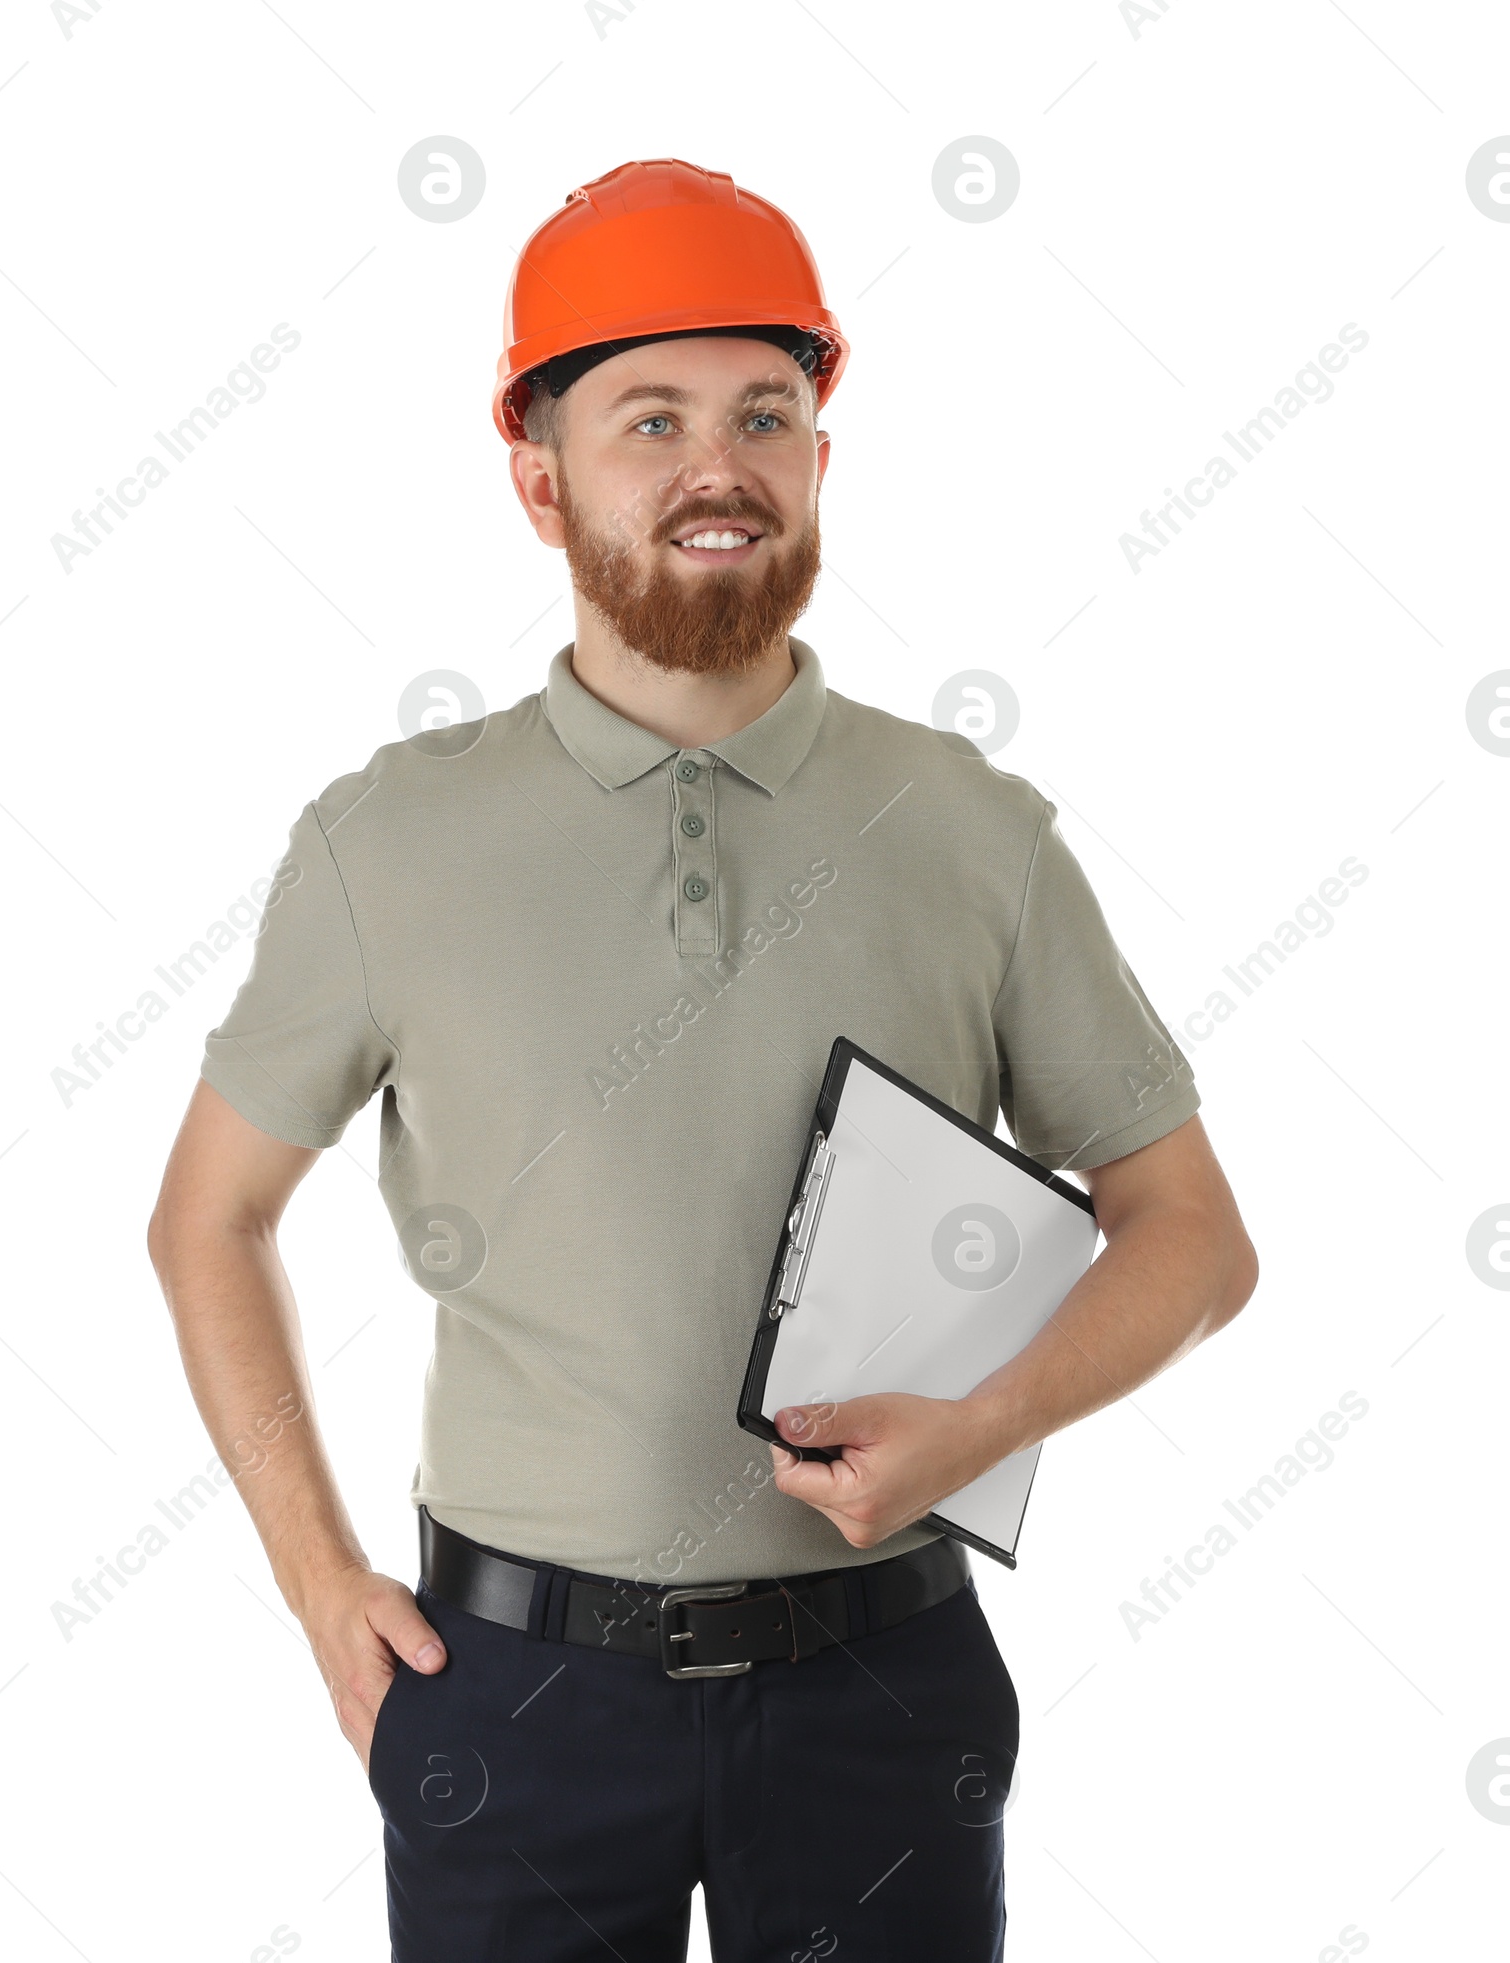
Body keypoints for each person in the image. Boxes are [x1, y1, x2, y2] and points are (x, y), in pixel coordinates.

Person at [147, 157, 1257, 1961]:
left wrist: (980, 1428)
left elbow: (1195, 1232)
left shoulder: (970, 826)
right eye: (646, 417)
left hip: (884, 1690)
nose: (713, 465)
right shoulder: (387, 846)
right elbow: (209, 1220)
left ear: (821, 457)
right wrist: (314, 1583)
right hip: (509, 1701)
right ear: (538, 479)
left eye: (765, 411)